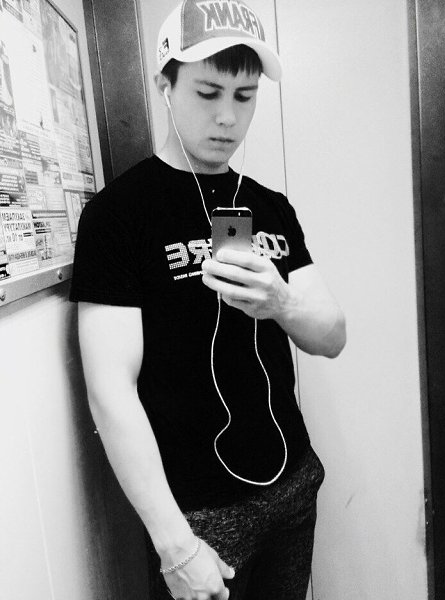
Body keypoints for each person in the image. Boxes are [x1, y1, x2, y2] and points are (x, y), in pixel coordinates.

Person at [70, 1, 346, 599]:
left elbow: (332, 337)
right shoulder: (118, 215)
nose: (227, 117)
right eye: (207, 92)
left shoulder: (270, 205)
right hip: (197, 515)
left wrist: (281, 302)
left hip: (292, 484)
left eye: (244, 96)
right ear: (164, 85)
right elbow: (109, 390)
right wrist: (174, 544)